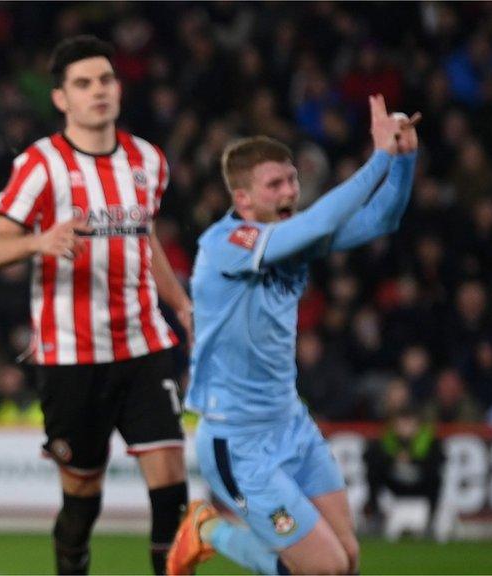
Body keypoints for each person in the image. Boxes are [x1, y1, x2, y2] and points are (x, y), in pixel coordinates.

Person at [167, 95, 419, 575]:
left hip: (290, 422)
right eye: (275, 184)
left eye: (292, 180)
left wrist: (404, 161)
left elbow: (382, 218)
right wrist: (379, 156)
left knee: (347, 561)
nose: (289, 191)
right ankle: (207, 529)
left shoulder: (292, 242)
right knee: (321, 569)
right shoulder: (225, 245)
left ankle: (207, 528)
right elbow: (322, 219)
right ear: (243, 199)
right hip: (236, 439)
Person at [0, 36, 193, 575]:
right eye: (84, 83)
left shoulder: (148, 160)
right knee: (81, 498)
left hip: (145, 345)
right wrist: (37, 242)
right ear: (61, 98)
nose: (99, 91)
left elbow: (147, 237)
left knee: (172, 493)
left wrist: (181, 304)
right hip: (72, 357)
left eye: (106, 80)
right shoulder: (41, 164)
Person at [363, 407, 445, 521]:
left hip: (420, 484)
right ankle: (375, 513)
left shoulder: (429, 439)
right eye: (401, 424)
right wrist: (393, 460)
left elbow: (438, 461)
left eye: (409, 424)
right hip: (394, 484)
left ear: (417, 424)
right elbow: (369, 457)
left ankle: (432, 516)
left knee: (436, 477)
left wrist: (413, 460)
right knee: (373, 473)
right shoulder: (387, 438)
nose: (405, 428)